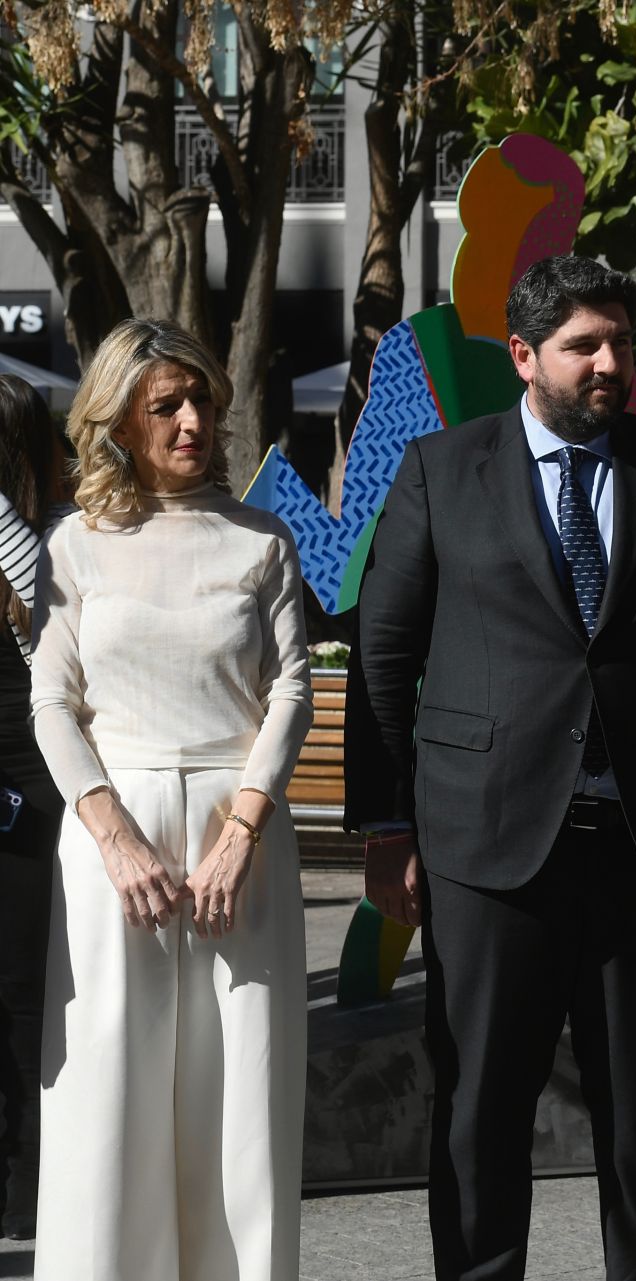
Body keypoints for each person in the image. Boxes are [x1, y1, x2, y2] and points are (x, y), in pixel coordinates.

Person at [349, 253, 636, 1281]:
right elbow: (384, 652)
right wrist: (387, 828)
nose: (609, 363)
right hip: (488, 851)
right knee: (482, 1109)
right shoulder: (441, 471)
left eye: (620, 343)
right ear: (524, 356)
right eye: (585, 345)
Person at [30, 318, 313, 1280]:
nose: (195, 421)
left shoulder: (263, 539)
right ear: (118, 420)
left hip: (243, 842)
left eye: (203, 402)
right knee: (110, 1095)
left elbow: (292, 690)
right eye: (168, 405)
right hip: (113, 839)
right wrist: (113, 838)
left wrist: (241, 830)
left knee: (243, 1100)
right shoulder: (74, 545)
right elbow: (51, 702)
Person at [0, 374, 59, 1242]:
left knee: (21, 997)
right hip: (31, 793)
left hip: (26, 797)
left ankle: (27, 1186)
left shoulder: (49, 544)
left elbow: (41, 646)